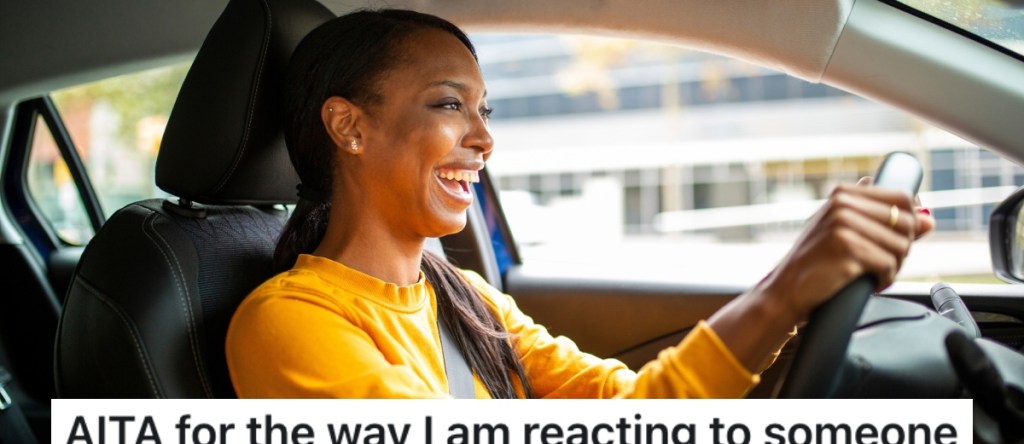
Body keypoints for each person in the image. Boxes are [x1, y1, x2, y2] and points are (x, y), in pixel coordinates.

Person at [225, 9, 934, 399]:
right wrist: (782, 292)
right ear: (350, 126)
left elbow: (636, 420)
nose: (484, 139)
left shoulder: (465, 297)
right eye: (449, 105)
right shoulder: (288, 323)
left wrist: (800, 293)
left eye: (485, 110)